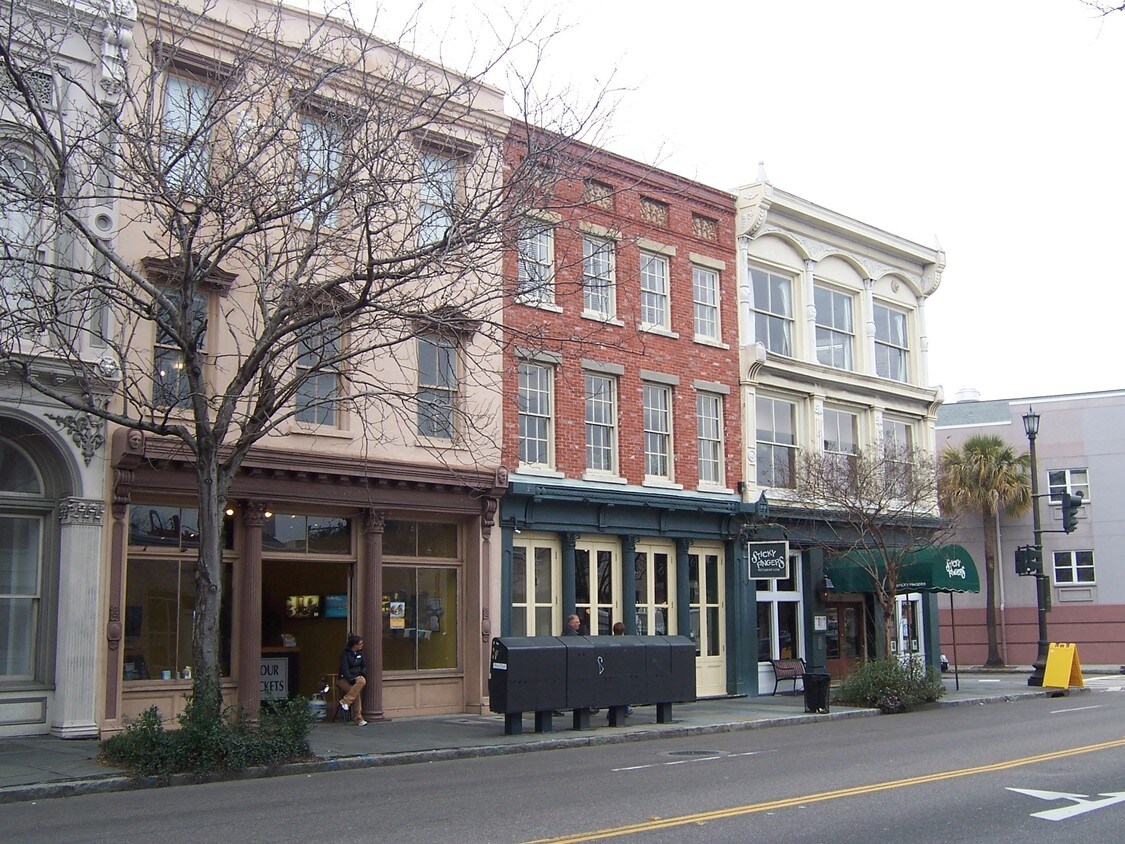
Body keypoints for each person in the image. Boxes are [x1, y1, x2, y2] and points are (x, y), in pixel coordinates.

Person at [337, 634, 368, 726]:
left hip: (357, 677)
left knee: (361, 681)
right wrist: (350, 679)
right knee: (356, 692)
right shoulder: (345, 654)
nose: (362, 645)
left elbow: (364, 666)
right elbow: (344, 669)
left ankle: (345, 701)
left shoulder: (360, 653)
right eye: (360, 643)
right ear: (354, 645)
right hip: (344, 679)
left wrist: (362, 673)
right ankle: (358, 719)